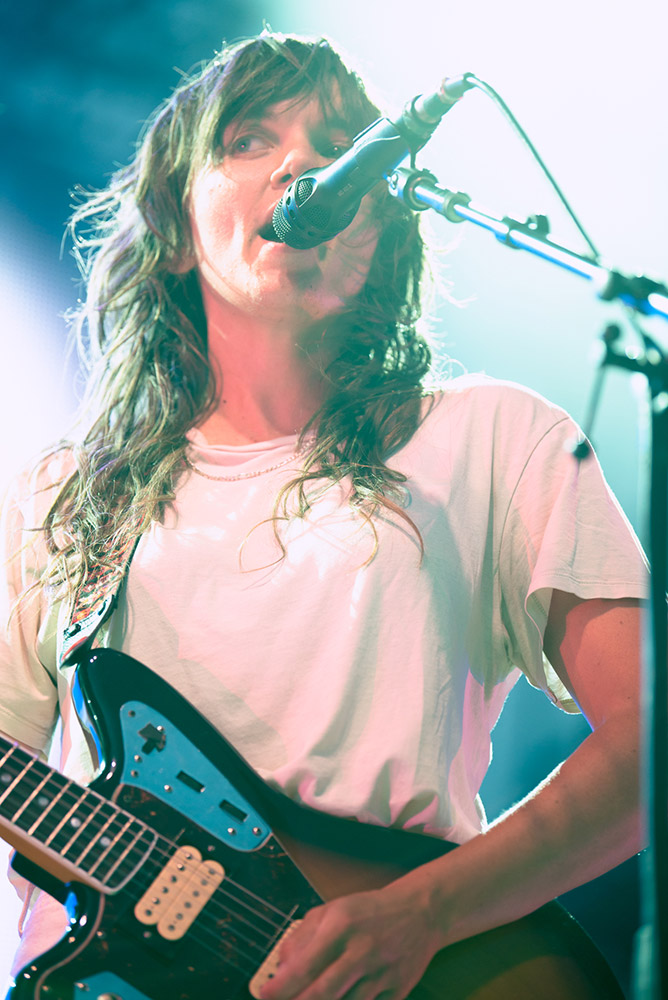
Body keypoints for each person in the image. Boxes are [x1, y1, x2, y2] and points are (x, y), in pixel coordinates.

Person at [0, 30, 648, 1000]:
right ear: (177, 227)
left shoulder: (492, 439)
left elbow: (649, 740)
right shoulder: (64, 496)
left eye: (337, 141)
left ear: (380, 229)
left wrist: (424, 912)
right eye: (250, 138)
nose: (302, 162)